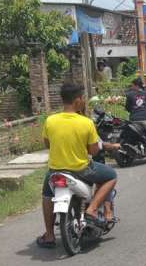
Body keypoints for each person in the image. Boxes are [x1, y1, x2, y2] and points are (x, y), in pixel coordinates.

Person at [36, 83, 118, 248]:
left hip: (56, 170)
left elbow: (47, 144)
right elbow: (93, 151)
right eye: (82, 98)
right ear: (77, 100)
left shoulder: (50, 121)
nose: (83, 101)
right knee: (111, 175)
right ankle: (92, 209)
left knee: (46, 195)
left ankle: (50, 235)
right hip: (81, 170)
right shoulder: (86, 122)